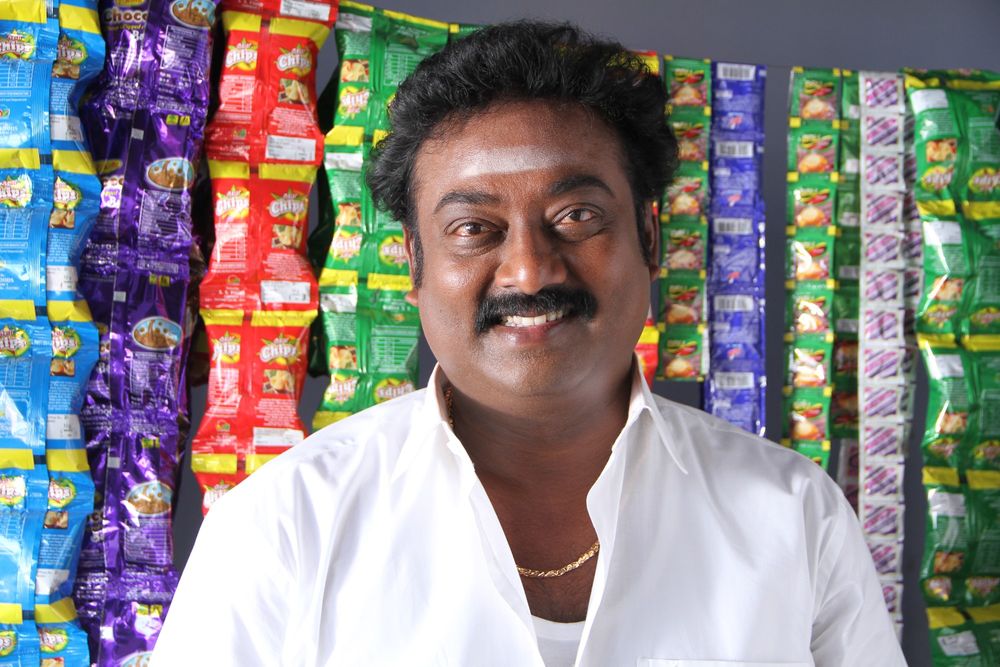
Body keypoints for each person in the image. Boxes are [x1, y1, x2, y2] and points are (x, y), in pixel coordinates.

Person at [153, 21, 905, 666]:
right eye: (473, 228)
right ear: (414, 264)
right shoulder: (284, 525)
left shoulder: (793, 515)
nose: (530, 270)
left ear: (648, 238)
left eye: (576, 216)